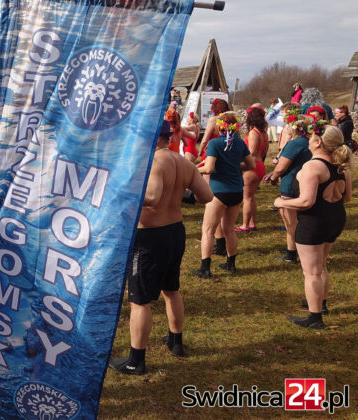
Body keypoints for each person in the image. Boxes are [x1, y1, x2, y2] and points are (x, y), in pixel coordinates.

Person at [108, 121, 213, 375]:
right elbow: (206, 196)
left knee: (139, 300)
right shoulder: (184, 162)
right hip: (174, 232)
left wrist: (120, 192)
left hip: (149, 237)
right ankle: (176, 342)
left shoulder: (154, 162)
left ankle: (136, 360)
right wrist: (179, 193)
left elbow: (153, 198)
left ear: (155, 138)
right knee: (171, 290)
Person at [274, 126, 352, 329]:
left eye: (311, 137)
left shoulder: (312, 166)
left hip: (314, 221)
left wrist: (280, 202)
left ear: (318, 143)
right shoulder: (341, 166)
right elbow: (347, 197)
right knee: (321, 265)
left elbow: (306, 201)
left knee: (311, 272)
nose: (308, 139)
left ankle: (314, 317)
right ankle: (320, 303)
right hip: (336, 218)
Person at [194, 112, 255, 277]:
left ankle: (205, 268)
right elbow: (251, 165)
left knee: (208, 230)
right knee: (229, 229)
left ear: (219, 127)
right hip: (236, 192)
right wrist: (234, 167)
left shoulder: (214, 143)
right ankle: (231, 264)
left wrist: (194, 170)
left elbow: (209, 168)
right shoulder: (240, 142)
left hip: (219, 192)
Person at [264, 115, 314, 264]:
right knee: (301, 220)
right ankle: (293, 249)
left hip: (291, 183)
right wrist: (273, 173)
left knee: (290, 222)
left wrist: (274, 177)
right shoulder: (312, 142)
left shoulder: (295, 143)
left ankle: (292, 253)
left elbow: (282, 166)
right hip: (307, 183)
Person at [197, 98, 230, 257]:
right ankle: (222, 241)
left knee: (210, 196)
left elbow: (205, 138)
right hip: (226, 157)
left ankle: (219, 241)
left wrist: (200, 150)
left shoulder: (213, 120)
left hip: (211, 155)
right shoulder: (230, 120)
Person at [235, 106, 269, 231]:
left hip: (252, 167)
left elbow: (252, 152)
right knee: (251, 196)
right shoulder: (264, 133)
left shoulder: (254, 133)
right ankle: (252, 222)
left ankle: (245, 225)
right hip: (260, 165)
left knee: (247, 197)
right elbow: (264, 151)